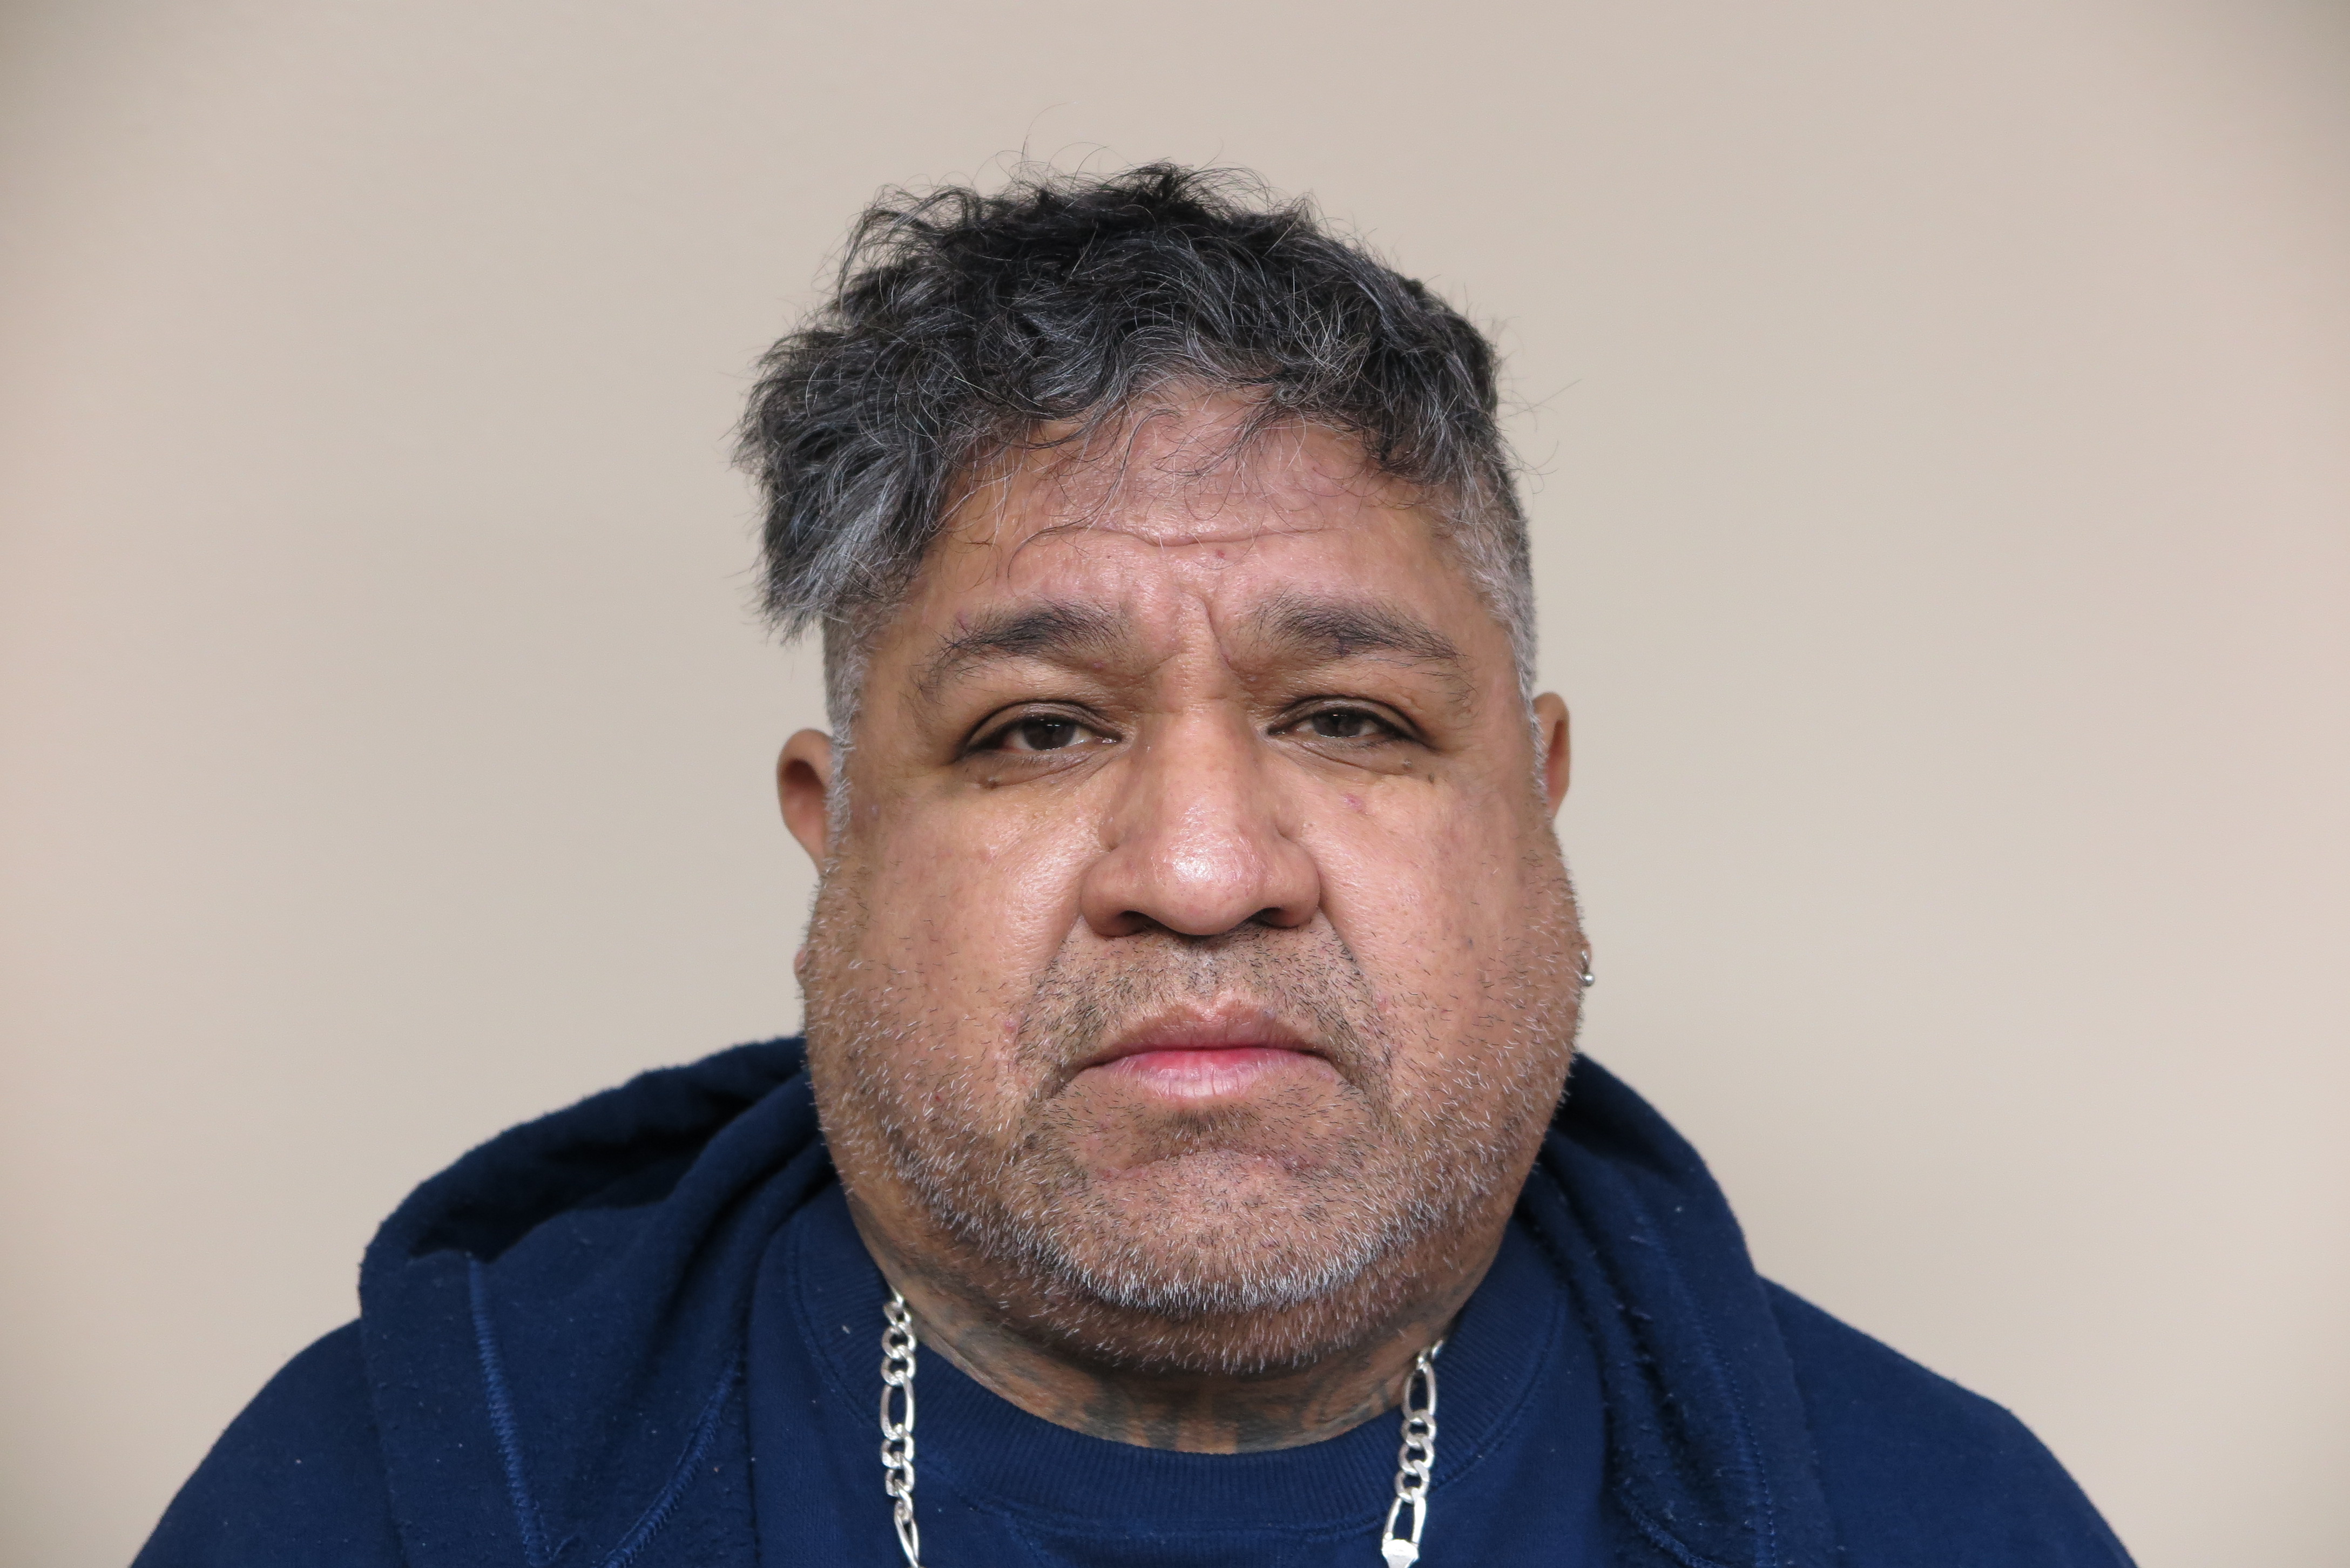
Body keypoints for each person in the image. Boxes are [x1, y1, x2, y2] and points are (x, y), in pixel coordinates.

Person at [137, 164, 2134, 1568]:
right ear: (836, 844)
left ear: (1536, 807)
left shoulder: (1957, 1528)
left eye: (1348, 718)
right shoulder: (363, 1509)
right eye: (1036, 730)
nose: (1198, 869)